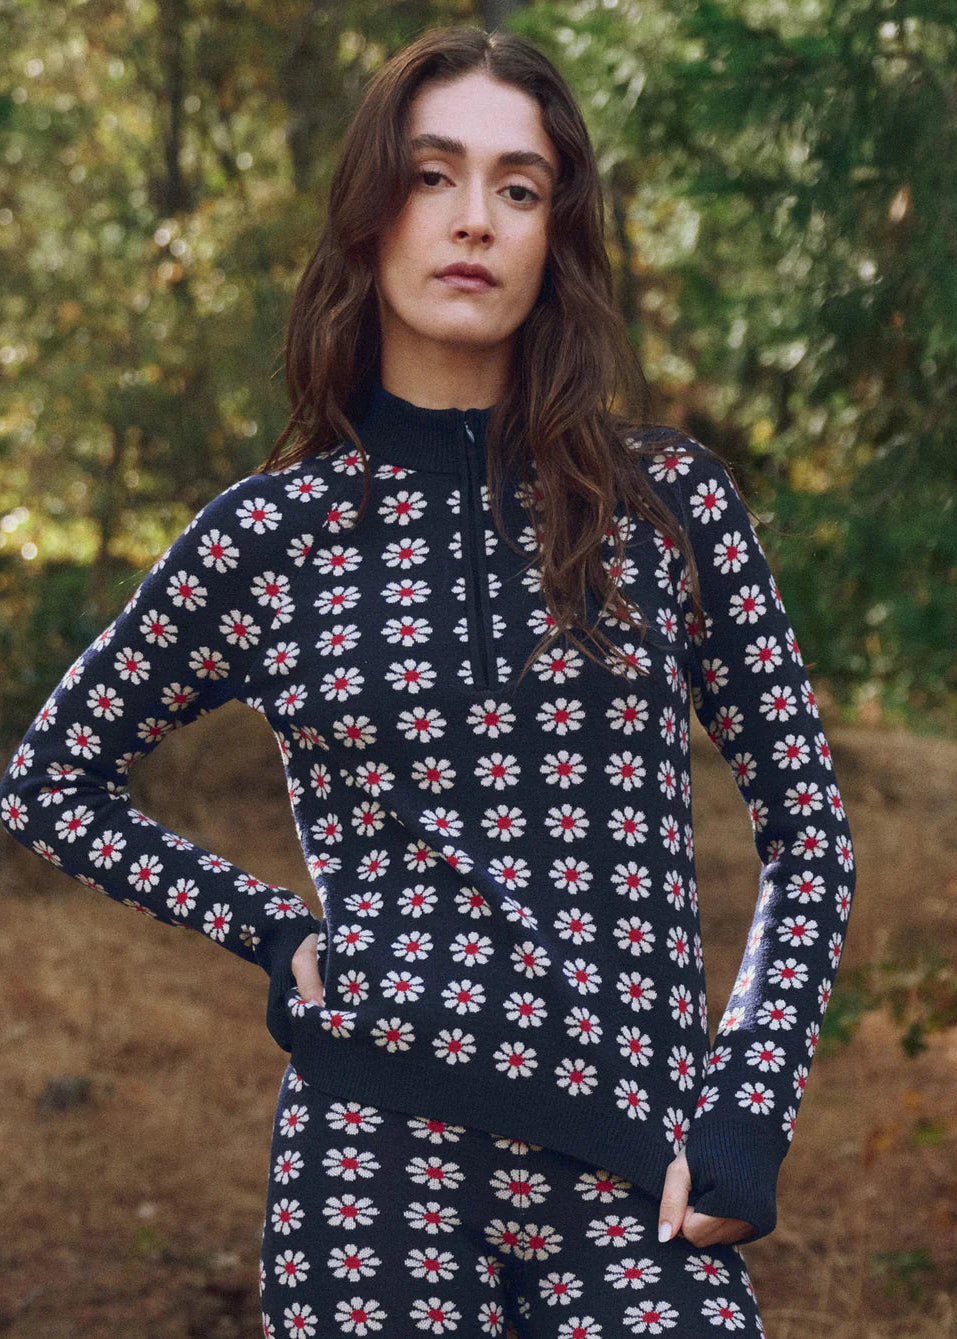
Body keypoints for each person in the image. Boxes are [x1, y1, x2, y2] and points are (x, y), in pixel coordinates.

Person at [0, 25, 855, 1339]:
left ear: (556, 233)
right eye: (431, 175)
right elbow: (51, 781)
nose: (474, 220)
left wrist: (750, 1102)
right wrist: (272, 930)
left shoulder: (665, 505)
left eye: (519, 188)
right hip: (371, 1165)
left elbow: (806, 824)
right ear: (371, 213)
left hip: (639, 1174)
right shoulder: (274, 537)